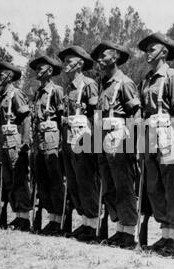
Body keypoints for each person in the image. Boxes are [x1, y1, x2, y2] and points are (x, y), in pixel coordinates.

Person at [137, 32, 174, 256]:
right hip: (149, 133)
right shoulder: (147, 79)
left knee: (172, 185)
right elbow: (141, 112)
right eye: (146, 49)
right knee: (154, 185)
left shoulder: (172, 76)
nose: (148, 53)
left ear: (164, 52)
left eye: (152, 49)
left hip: (168, 131)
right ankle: (165, 234)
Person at [91, 41, 141, 248]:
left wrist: (134, 147)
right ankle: (119, 228)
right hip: (102, 137)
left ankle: (128, 231)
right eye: (99, 57)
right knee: (109, 186)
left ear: (116, 57)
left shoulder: (125, 83)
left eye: (104, 56)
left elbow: (136, 115)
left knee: (123, 186)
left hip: (119, 137)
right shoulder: (104, 84)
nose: (100, 60)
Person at [58, 46, 100, 242]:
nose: (65, 65)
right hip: (68, 138)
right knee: (73, 181)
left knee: (85, 180)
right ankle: (84, 221)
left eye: (69, 61)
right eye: (64, 62)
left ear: (80, 63)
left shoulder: (89, 84)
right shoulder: (69, 88)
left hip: (84, 138)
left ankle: (93, 223)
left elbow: (95, 113)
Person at [0, 62, 32, 231]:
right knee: (8, 179)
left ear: (9, 76)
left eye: (1, 75)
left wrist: (25, 140)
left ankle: (24, 217)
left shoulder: (16, 94)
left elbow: (26, 117)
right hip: (4, 141)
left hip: (15, 139)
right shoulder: (1, 96)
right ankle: (17, 214)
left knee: (19, 178)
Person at [29, 55, 65, 236]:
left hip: (52, 138)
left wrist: (61, 144)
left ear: (50, 71)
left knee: (55, 180)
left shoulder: (56, 91)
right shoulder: (37, 93)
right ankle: (50, 217)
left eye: (41, 68)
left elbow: (62, 117)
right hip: (38, 139)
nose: (37, 71)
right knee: (42, 179)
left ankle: (58, 219)